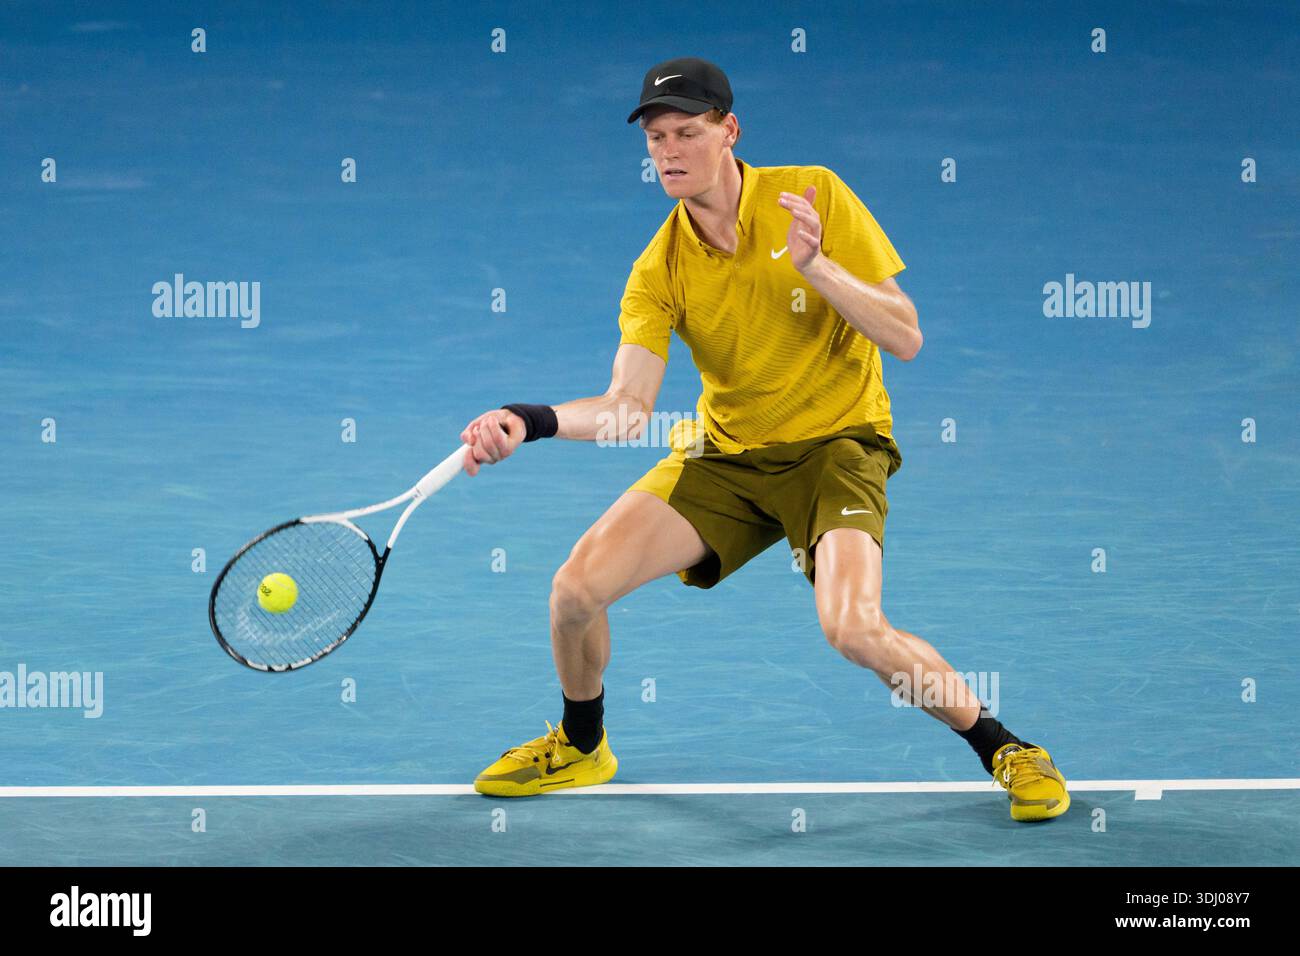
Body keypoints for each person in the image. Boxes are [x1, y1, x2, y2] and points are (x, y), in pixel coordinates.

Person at [458, 57, 1068, 821]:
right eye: (656, 139)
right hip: (727, 455)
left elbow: (906, 336)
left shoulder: (812, 196)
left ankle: (1004, 746)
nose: (669, 152)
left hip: (836, 447)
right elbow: (628, 409)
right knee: (574, 592)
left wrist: (818, 269)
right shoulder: (660, 269)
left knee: (852, 627)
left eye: (686, 132)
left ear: (729, 131)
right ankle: (584, 744)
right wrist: (530, 420)